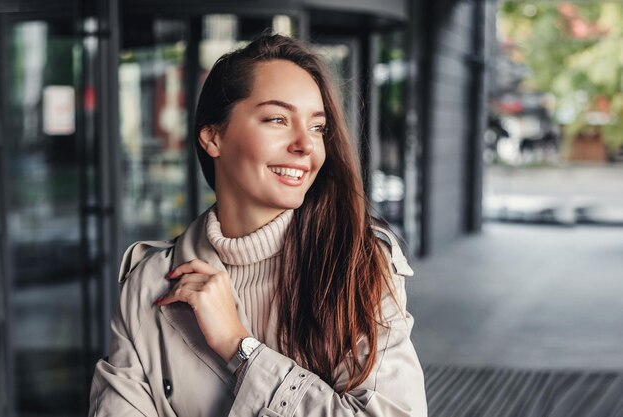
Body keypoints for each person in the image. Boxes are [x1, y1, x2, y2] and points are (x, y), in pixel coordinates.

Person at [88, 33, 427, 417]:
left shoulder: (357, 265)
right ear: (213, 137)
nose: (306, 145)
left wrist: (241, 348)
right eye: (278, 119)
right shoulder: (151, 281)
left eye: (317, 127)